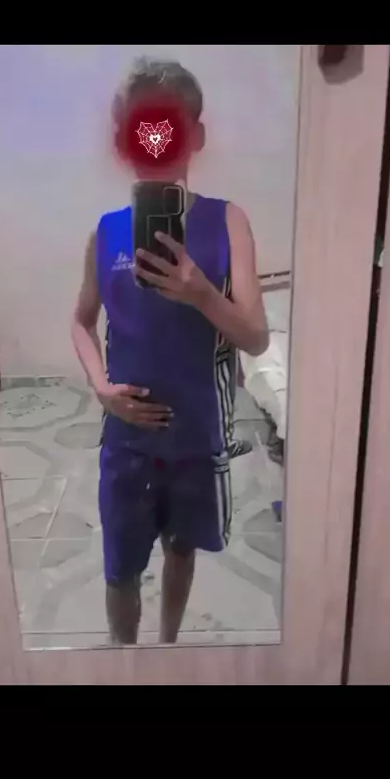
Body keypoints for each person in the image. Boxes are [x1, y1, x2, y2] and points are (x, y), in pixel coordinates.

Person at [72, 57, 269, 645]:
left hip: (196, 442)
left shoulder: (228, 221)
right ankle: (125, 658)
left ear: (195, 136)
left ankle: (168, 648)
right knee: (121, 569)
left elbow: (256, 336)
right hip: (126, 445)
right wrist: (100, 387)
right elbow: (81, 322)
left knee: (182, 550)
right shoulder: (105, 231)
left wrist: (201, 292)